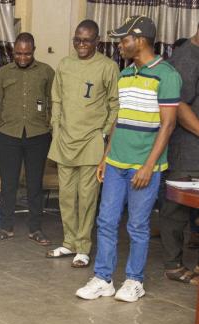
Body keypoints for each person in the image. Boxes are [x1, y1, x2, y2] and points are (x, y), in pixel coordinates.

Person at [76, 16, 182, 302]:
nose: (120, 45)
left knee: (137, 225)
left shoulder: (167, 75)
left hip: (143, 166)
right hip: (116, 163)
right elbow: (119, 120)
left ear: (141, 40)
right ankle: (103, 279)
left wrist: (148, 166)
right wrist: (105, 157)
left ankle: (135, 280)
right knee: (106, 221)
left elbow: (168, 125)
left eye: (124, 40)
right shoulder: (124, 75)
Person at [46, 20, 120, 268]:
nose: (81, 44)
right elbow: (56, 99)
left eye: (86, 40)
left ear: (97, 41)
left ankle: (83, 247)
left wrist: (103, 134)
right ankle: (69, 242)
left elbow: (115, 105)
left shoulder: (108, 67)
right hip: (65, 140)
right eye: (77, 40)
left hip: (91, 141)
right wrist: (56, 128)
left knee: (87, 197)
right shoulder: (65, 64)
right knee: (66, 196)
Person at [0, 32, 54, 245]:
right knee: (9, 184)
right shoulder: (3, 73)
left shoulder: (46, 72)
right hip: (8, 135)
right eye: (18, 53)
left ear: (33, 51)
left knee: (35, 184)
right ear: (13, 51)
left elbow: (53, 102)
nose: (22, 57)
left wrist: (50, 127)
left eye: (27, 53)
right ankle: (6, 227)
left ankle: (35, 229)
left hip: (38, 135)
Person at [160, 24, 199, 284]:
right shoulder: (186, 58)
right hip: (187, 151)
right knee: (176, 210)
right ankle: (173, 265)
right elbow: (179, 105)